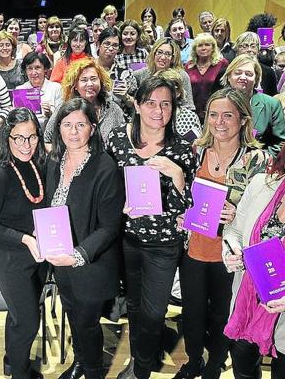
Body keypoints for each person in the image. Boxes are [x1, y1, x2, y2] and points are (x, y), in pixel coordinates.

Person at [174, 88, 269, 379]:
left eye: (228, 115)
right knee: (191, 315)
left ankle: (214, 366)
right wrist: (180, 212)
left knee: (221, 316)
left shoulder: (257, 160)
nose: (220, 122)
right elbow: (183, 197)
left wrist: (238, 213)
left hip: (230, 256)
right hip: (194, 248)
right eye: (214, 115)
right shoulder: (195, 150)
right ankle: (193, 362)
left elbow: (263, 214)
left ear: (243, 120)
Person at [106, 76, 196, 379]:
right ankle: (138, 358)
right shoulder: (118, 139)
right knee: (133, 306)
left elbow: (193, 209)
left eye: (165, 104)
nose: (158, 110)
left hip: (164, 243)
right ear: (137, 105)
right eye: (151, 103)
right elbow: (107, 187)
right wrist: (116, 207)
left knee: (155, 311)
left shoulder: (182, 149)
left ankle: (141, 370)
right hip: (126, 238)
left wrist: (179, 177)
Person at [46, 99, 124, 379]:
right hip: (60, 261)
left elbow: (110, 226)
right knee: (73, 316)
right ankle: (81, 361)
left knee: (87, 323)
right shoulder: (54, 161)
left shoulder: (104, 166)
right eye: (67, 125)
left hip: (92, 264)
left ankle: (93, 371)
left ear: (93, 128)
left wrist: (78, 254)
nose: (74, 131)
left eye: (81, 124)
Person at [0, 107, 47, 379]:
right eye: (18, 138)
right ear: (7, 138)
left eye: (31, 137)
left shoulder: (38, 165)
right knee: (29, 321)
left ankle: (10, 361)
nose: (25, 145)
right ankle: (20, 373)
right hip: (10, 259)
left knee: (20, 315)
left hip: (38, 256)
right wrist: (25, 238)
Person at [221, 143, 285, 379]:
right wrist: (231, 251)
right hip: (246, 306)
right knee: (243, 365)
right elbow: (234, 231)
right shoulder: (261, 184)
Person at [44, 58, 126, 148]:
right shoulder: (64, 109)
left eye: (93, 79)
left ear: (101, 82)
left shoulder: (113, 109)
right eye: (84, 80)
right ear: (75, 85)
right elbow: (47, 140)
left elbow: (124, 140)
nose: (90, 84)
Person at [219, 54, 285, 156]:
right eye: (238, 73)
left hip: (259, 167)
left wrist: (259, 158)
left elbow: (280, 144)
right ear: (228, 77)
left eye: (249, 74)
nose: (243, 77)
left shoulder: (272, 105)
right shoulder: (217, 103)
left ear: (256, 79)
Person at [132, 37, 195, 110]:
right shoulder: (141, 74)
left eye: (168, 54)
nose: (162, 57)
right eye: (159, 52)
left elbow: (189, 106)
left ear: (173, 58)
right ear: (154, 53)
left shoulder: (181, 76)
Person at [95, 27, 139, 117]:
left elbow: (136, 104)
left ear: (118, 49)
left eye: (115, 45)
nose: (111, 48)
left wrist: (125, 97)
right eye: (107, 44)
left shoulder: (125, 73)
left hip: (118, 121)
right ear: (99, 45)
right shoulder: (87, 68)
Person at [185, 33, 229, 122]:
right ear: (195, 49)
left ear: (213, 47)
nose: (203, 48)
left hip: (216, 111)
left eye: (207, 45)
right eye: (200, 45)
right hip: (193, 113)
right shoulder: (188, 66)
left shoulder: (222, 64)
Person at [15, 52, 63, 129]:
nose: (33, 72)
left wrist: (50, 113)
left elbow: (62, 117)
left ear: (45, 69)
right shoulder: (20, 90)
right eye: (30, 68)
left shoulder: (56, 88)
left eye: (37, 68)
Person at [155, 69, 202, 139]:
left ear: (178, 92)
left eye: (168, 88)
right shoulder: (147, 114)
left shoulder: (189, 117)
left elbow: (197, 146)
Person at [230, 31, 279, 96]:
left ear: (258, 50)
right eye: (245, 46)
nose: (249, 49)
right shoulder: (227, 70)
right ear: (237, 49)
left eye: (253, 46)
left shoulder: (269, 72)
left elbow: (273, 97)